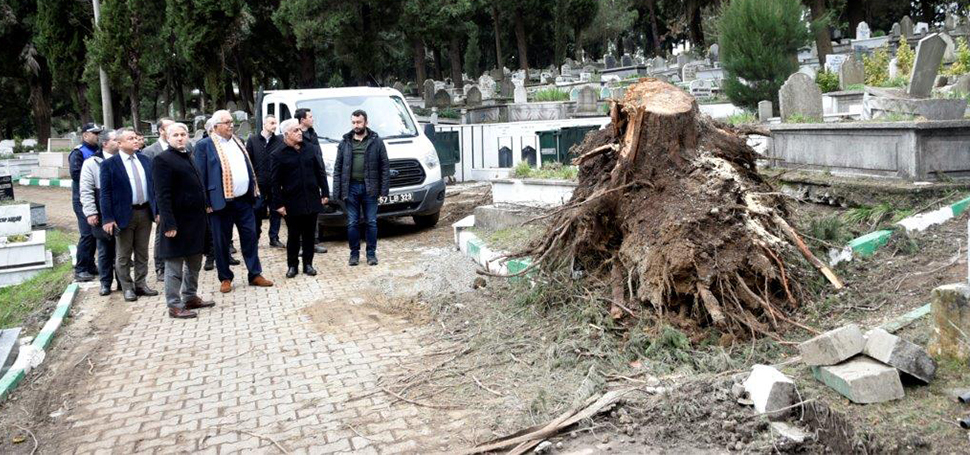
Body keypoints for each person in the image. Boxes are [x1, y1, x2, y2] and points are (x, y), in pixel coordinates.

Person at [194, 110, 274, 293]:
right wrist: (206, 203)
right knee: (221, 242)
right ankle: (225, 277)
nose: (231, 125)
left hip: (244, 201)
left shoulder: (238, 142)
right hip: (219, 203)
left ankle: (255, 274)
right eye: (227, 122)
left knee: (250, 237)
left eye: (232, 122)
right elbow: (200, 177)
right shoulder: (204, 146)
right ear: (215, 127)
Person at [153, 123, 214, 319]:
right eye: (176, 135)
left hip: (195, 222)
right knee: (174, 266)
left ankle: (190, 296)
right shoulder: (162, 160)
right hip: (177, 223)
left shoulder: (188, 154)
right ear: (167, 137)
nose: (180, 138)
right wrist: (168, 223)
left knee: (195, 262)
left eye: (183, 134)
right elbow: (162, 195)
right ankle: (174, 304)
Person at [100, 128, 159, 302]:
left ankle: (141, 284)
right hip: (123, 215)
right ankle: (127, 287)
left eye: (136, 138)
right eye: (130, 138)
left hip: (144, 212)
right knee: (123, 255)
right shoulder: (109, 164)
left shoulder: (144, 160)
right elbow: (105, 194)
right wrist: (108, 218)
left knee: (142, 252)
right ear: (119, 143)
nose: (136, 141)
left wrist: (156, 211)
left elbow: (153, 188)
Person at [270, 119, 329, 278]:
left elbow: (320, 171)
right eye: (295, 130)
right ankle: (292, 265)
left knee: (310, 234)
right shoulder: (278, 154)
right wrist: (279, 204)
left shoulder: (310, 149)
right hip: (291, 202)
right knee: (294, 236)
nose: (299, 132)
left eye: (299, 130)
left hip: (311, 198)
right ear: (287, 134)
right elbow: (274, 182)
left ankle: (308, 264)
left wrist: (325, 192)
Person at [332, 110, 389, 266]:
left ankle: (371, 254)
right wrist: (337, 191)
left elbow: (384, 166)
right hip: (350, 188)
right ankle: (354, 255)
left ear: (366, 123)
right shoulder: (345, 142)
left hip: (370, 188)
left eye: (359, 122)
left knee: (371, 222)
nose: (356, 125)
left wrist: (384, 191)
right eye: (354, 122)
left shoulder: (376, 141)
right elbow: (338, 168)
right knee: (352, 223)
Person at [80, 129, 119, 296]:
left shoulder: (122, 160)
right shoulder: (91, 163)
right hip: (101, 213)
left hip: (121, 211)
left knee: (122, 251)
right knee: (104, 250)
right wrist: (90, 212)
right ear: (105, 144)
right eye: (115, 140)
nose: (119, 142)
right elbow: (86, 190)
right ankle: (105, 283)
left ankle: (123, 282)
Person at [141, 117, 175, 282]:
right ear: (161, 131)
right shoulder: (150, 152)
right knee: (161, 234)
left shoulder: (183, 146)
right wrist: (155, 208)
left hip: (178, 199)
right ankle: (160, 267)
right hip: (161, 200)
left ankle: (176, 263)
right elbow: (149, 182)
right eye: (170, 127)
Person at [69, 123, 103, 282]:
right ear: (85, 135)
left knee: (95, 234)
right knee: (87, 234)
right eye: (94, 133)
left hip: (96, 198)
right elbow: (76, 175)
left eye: (98, 133)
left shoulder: (98, 151)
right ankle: (81, 268)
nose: (97, 135)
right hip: (82, 200)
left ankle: (90, 265)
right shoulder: (78, 152)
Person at [245, 115, 283, 248]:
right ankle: (256, 235)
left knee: (275, 211)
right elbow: (248, 162)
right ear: (264, 124)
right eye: (272, 123)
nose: (274, 125)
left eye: (275, 123)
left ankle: (274, 237)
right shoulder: (253, 140)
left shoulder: (279, 140)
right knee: (257, 209)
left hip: (275, 183)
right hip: (259, 183)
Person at [295, 108, 328, 254]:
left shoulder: (313, 134)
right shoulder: (296, 135)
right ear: (302, 120)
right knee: (301, 213)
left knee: (314, 212)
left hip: (314, 178)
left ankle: (313, 242)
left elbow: (318, 154)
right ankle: (302, 244)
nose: (312, 119)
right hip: (301, 179)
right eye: (310, 116)